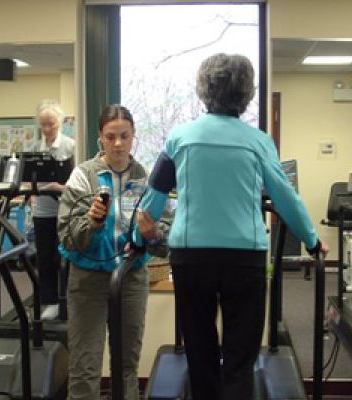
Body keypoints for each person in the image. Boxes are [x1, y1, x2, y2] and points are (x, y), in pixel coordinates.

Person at [137, 53, 329, 400]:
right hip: (244, 257)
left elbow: (153, 197)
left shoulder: (180, 138)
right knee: (241, 355)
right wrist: (313, 241)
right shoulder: (258, 141)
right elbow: (285, 198)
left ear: (203, 89)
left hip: (191, 257)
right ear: (247, 93)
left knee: (200, 350)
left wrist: (137, 239)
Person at [57, 104, 169, 400]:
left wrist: (152, 234)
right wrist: (91, 223)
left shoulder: (147, 178)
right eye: (110, 137)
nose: (118, 143)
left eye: (124, 136)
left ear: (133, 137)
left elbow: (166, 237)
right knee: (84, 366)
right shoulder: (83, 176)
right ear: (100, 138)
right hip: (88, 279)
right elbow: (67, 237)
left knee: (126, 366)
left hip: (131, 277)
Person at [29, 100, 75, 320]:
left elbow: (78, 183)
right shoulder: (35, 148)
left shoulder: (71, 146)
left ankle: (67, 301)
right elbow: (28, 178)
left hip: (65, 211)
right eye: (44, 124)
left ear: (61, 122)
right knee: (45, 259)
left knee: (64, 258)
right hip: (42, 211)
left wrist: (60, 188)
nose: (47, 129)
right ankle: (49, 302)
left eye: (52, 124)